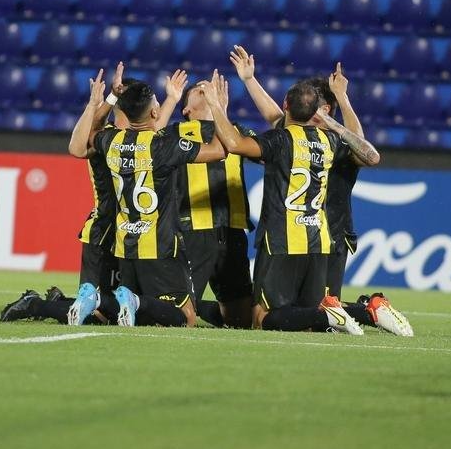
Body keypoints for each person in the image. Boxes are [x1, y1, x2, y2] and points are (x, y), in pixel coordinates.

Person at [228, 46, 413, 337]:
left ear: (325, 110)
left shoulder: (336, 142)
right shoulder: (304, 136)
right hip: (309, 233)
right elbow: (275, 115)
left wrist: (342, 99)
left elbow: (363, 149)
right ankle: (369, 310)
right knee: (310, 313)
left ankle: (368, 310)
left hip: (330, 233)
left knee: (318, 310)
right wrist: (250, 80)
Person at [0, 65, 187, 325]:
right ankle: (37, 305)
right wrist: (104, 100)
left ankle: (56, 302)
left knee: (119, 308)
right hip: (104, 230)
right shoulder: (107, 139)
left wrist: (172, 100)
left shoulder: (132, 139)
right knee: (98, 313)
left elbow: (153, 132)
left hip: (127, 233)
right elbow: (77, 148)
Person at [201, 73, 377, 334]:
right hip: (318, 240)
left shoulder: (280, 139)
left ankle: (332, 316)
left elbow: (234, 144)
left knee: (261, 317)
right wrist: (337, 125)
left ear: (285, 104)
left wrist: (216, 105)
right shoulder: (329, 141)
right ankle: (337, 314)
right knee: (305, 321)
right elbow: (371, 156)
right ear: (317, 111)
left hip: (281, 239)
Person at [64, 76, 225, 328]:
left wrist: (103, 101)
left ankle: (98, 300)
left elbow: (86, 138)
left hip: (125, 244)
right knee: (186, 318)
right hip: (160, 243)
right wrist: (218, 107)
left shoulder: (112, 141)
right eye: (157, 103)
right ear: (154, 112)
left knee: (132, 317)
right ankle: (130, 301)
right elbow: (219, 150)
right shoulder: (164, 145)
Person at [174, 76, 255, 328]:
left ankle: (204, 309)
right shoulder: (176, 132)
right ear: (186, 109)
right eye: (200, 89)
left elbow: (272, 151)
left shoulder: (237, 132)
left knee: (241, 320)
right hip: (193, 228)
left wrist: (221, 109)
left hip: (232, 230)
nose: (207, 89)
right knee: (180, 316)